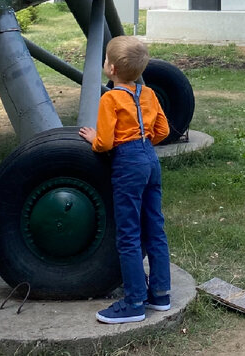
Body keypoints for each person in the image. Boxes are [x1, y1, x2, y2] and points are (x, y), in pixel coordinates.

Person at [78, 36, 172, 324]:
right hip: (150, 160)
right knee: (155, 228)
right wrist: (144, 143)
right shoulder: (148, 94)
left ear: (112, 70)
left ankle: (134, 302)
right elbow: (164, 130)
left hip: (128, 164)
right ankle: (160, 294)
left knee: (129, 235)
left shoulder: (111, 99)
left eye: (107, 60)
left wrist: (95, 139)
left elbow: (105, 143)